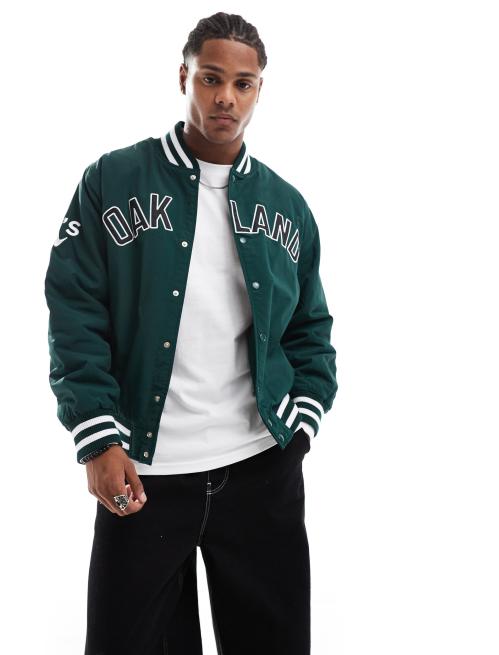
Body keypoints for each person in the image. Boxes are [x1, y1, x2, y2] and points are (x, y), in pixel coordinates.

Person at [44, 11, 338, 655]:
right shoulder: (112, 180)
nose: (226, 97)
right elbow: (74, 310)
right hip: (144, 473)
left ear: (259, 89)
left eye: (243, 83)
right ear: (185, 77)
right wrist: (98, 438)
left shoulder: (287, 206)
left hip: (260, 468)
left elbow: (311, 329)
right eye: (211, 78)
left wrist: (300, 429)